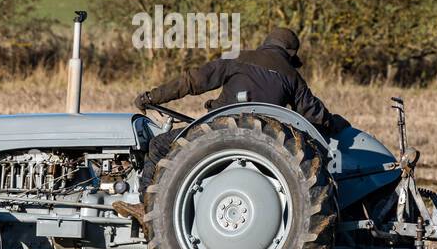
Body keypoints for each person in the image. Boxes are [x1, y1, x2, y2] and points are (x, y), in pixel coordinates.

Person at [113, 28, 350, 231]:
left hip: (223, 132)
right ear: (291, 55)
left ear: (266, 45)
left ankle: (147, 207)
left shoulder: (238, 57)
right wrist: (338, 123)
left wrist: (152, 96)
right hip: (267, 143)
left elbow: (192, 81)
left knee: (158, 144)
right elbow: (315, 115)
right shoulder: (292, 76)